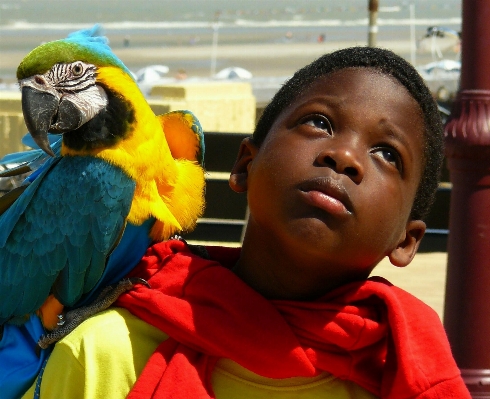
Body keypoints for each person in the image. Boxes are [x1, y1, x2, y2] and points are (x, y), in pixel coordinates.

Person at [22, 46, 470, 399]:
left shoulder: (408, 376)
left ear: (406, 241)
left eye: (387, 154)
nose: (345, 156)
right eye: (319, 122)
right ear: (244, 165)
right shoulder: (103, 354)